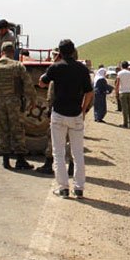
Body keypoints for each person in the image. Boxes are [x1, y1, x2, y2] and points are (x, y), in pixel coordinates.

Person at [39, 39, 93, 199]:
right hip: (76, 115)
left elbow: (42, 83)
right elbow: (89, 92)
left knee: (59, 153)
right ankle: (79, 188)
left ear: (60, 52)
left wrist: (55, 62)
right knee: (77, 154)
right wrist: (83, 110)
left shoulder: (56, 67)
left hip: (59, 115)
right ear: (73, 50)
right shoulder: (82, 69)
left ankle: (63, 188)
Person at [0, 42, 36, 170]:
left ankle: (6, 161)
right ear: (12, 52)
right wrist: (32, 100)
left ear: (1, 52)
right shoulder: (17, 66)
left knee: (2, 129)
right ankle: (20, 160)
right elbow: (28, 85)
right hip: (14, 102)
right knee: (17, 129)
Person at [115, 61, 130, 128]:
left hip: (122, 92)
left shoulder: (119, 73)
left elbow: (117, 84)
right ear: (127, 66)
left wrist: (116, 92)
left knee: (124, 108)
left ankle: (125, 123)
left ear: (122, 66)